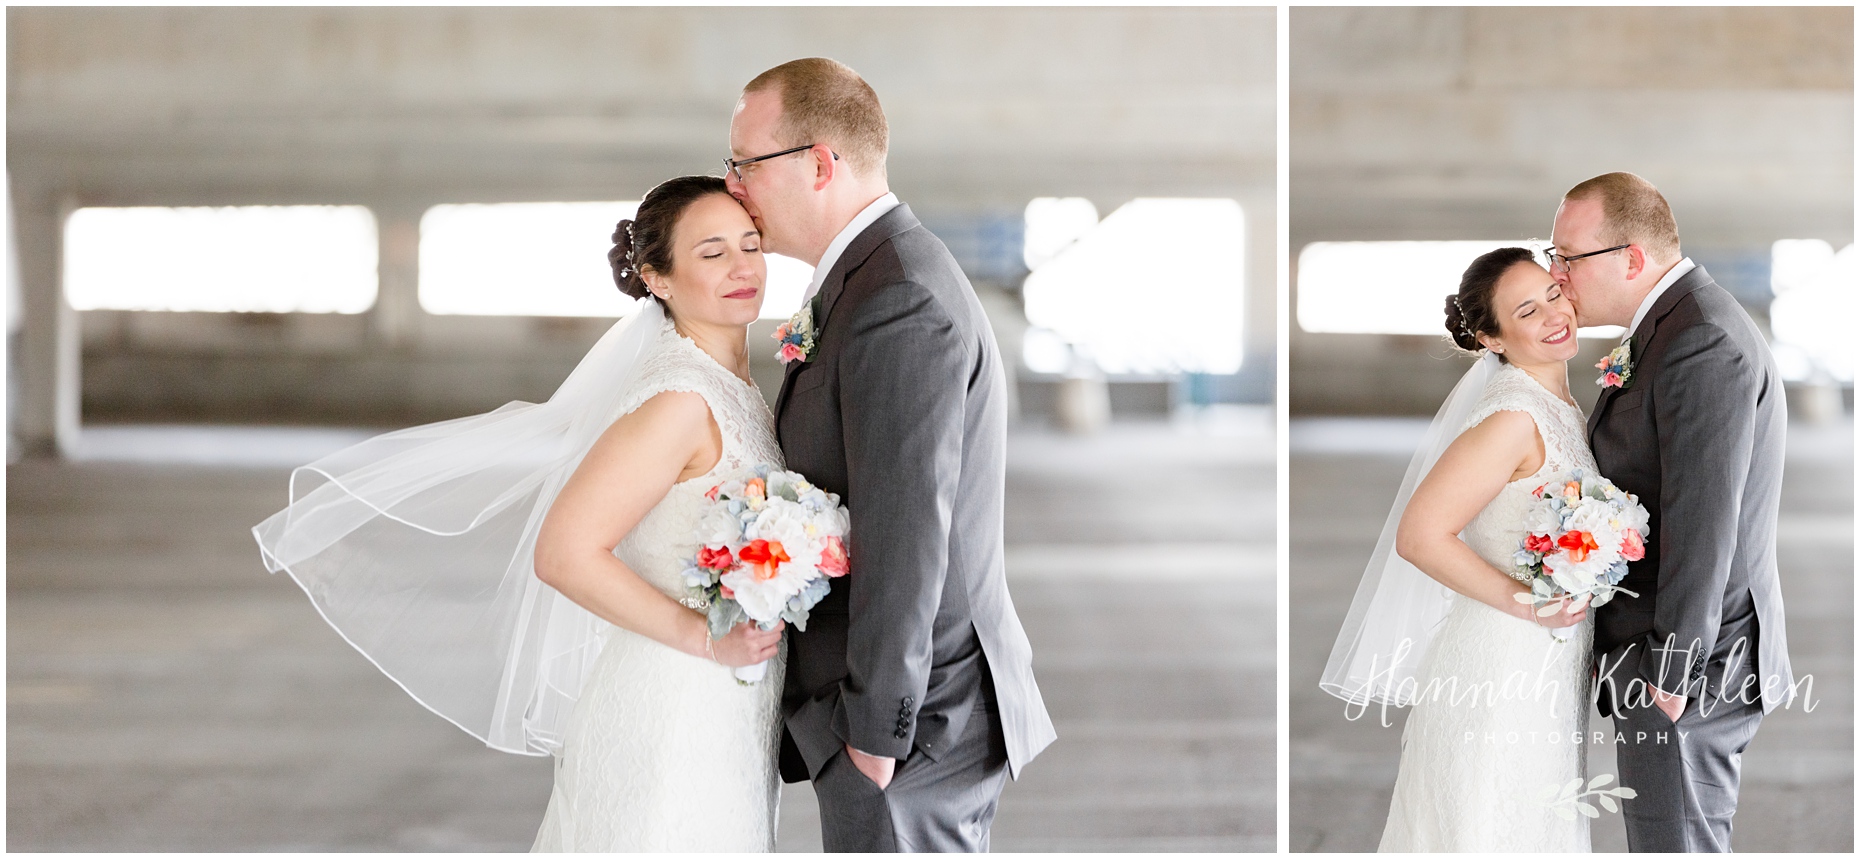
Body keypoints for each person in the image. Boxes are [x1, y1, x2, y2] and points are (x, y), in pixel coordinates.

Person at [255, 176, 794, 851]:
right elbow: (564, 552)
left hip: (728, 702)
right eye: (712, 253)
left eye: (751, 244)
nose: (743, 266)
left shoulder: (735, 385)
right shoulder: (680, 400)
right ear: (658, 278)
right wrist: (702, 638)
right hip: (675, 699)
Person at [724, 57, 1056, 852]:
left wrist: (875, 737)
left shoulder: (898, 297)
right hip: (896, 710)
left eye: (744, 164)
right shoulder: (866, 279)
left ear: (819, 163)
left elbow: (908, 528)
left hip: (912, 721)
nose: (732, 184)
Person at [1551, 171, 1792, 853]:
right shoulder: (1671, 325)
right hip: (1670, 656)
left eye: (1567, 256)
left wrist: (1670, 674)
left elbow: (1704, 522)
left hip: (1689, 667)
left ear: (1630, 258)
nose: (1556, 274)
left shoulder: (1701, 340)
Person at [1325, 247, 1597, 851]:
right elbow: (1419, 535)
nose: (1556, 314)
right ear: (1491, 338)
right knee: (1488, 821)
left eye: (1553, 294)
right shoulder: (1513, 419)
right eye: (1527, 310)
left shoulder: (1563, 407)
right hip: (1502, 658)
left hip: (1550, 660)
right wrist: (1527, 601)